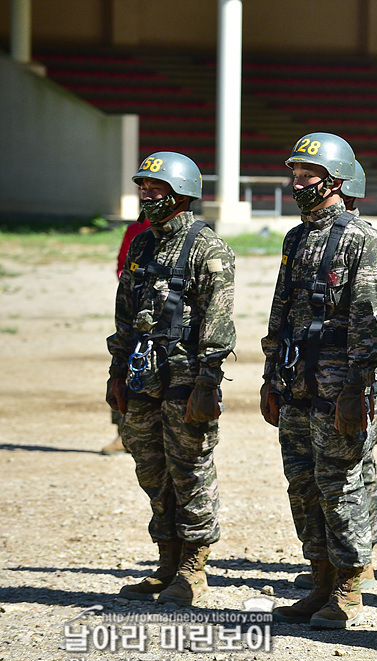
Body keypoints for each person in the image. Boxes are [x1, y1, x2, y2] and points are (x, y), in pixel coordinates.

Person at [261, 133, 377, 629]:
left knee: (341, 485)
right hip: (296, 382)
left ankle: (348, 586)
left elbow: (372, 321)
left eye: (307, 174)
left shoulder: (364, 241)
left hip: (340, 386)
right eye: (294, 173)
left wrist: (358, 389)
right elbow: (281, 311)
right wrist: (270, 375)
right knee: (303, 484)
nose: (297, 182)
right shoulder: (296, 238)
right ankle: (319, 578)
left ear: (335, 181)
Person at [108, 151, 235, 607]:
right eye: (143, 186)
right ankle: (167, 561)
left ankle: (193, 569)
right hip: (143, 378)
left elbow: (219, 325)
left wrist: (206, 383)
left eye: (156, 188)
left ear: (182, 195)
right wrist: (116, 371)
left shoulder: (208, 248)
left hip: (185, 383)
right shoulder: (142, 244)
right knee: (151, 469)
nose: (146, 194)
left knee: (190, 470)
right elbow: (125, 313)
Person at [102, 215, 151, 456]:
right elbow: (122, 265)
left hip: (168, 317)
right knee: (123, 365)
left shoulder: (189, 234)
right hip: (134, 311)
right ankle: (122, 434)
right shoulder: (135, 230)